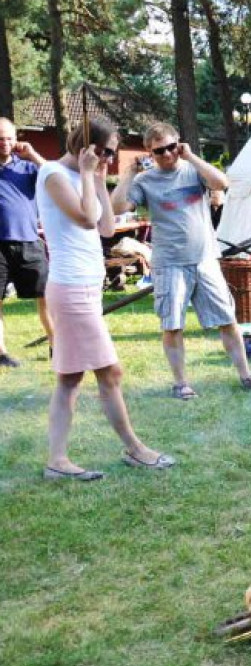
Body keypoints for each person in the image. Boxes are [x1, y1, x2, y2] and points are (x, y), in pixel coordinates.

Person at [37, 119, 174, 480]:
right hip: (71, 290)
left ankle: (57, 460)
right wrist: (85, 175)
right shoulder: (52, 174)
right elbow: (84, 219)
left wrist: (98, 180)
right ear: (85, 146)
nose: (110, 159)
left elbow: (107, 228)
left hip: (85, 289)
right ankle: (135, 448)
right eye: (105, 151)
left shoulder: (89, 177)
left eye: (113, 153)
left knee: (69, 379)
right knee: (110, 372)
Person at [111, 122, 251, 399]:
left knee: (228, 320)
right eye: (159, 151)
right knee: (173, 325)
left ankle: (247, 376)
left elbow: (222, 183)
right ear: (150, 152)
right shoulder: (144, 181)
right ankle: (181, 384)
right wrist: (129, 173)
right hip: (169, 263)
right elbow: (117, 207)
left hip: (205, 259)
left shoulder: (193, 169)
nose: (167, 154)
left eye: (172, 147)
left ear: (179, 144)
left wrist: (191, 156)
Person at [0, 117, 54, 366]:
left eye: (9, 137)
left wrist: (33, 155)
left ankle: (57, 346)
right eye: (0, 138)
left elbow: (55, 177)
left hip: (29, 242)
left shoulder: (28, 168)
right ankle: (1, 354)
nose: (5, 142)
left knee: (46, 296)